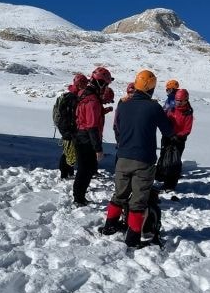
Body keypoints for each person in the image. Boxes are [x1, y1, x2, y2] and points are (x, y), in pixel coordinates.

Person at [99, 70, 173, 248]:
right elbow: (169, 131)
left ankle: (110, 225)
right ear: (151, 88)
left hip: (123, 157)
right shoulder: (154, 107)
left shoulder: (124, 105)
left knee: (119, 194)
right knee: (138, 200)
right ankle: (132, 238)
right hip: (144, 160)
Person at [72, 67, 112, 206]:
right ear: (100, 83)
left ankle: (79, 196)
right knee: (85, 170)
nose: (106, 87)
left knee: (85, 169)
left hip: (80, 135)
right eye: (106, 84)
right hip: (86, 139)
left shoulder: (84, 94)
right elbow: (92, 126)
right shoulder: (92, 100)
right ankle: (79, 198)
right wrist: (98, 149)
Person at [159, 88, 194, 191]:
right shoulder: (172, 109)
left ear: (186, 100)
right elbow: (165, 119)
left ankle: (170, 184)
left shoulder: (187, 113)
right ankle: (161, 175)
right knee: (163, 157)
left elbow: (187, 129)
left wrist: (177, 136)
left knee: (173, 162)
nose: (178, 103)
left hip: (178, 141)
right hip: (168, 137)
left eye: (180, 101)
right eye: (177, 100)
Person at [58, 72, 88, 179]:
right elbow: (70, 116)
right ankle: (64, 173)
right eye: (84, 84)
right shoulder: (73, 98)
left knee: (69, 151)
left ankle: (68, 172)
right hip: (70, 130)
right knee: (68, 152)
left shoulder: (71, 96)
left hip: (67, 129)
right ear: (80, 85)